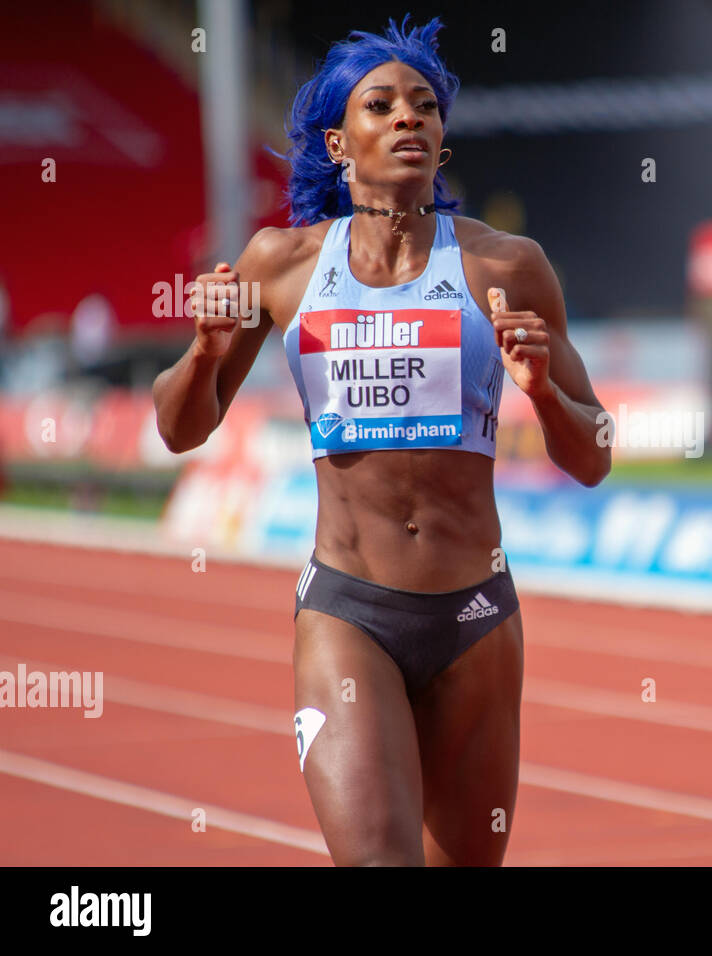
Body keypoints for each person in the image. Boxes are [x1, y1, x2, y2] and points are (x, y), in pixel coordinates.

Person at [152, 16, 610, 866]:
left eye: (425, 107)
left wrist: (544, 393)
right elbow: (180, 427)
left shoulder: (506, 267)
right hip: (349, 613)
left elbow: (596, 452)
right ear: (338, 142)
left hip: (476, 617)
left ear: (441, 141)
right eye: (382, 105)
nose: (409, 118)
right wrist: (204, 351)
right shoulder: (281, 264)